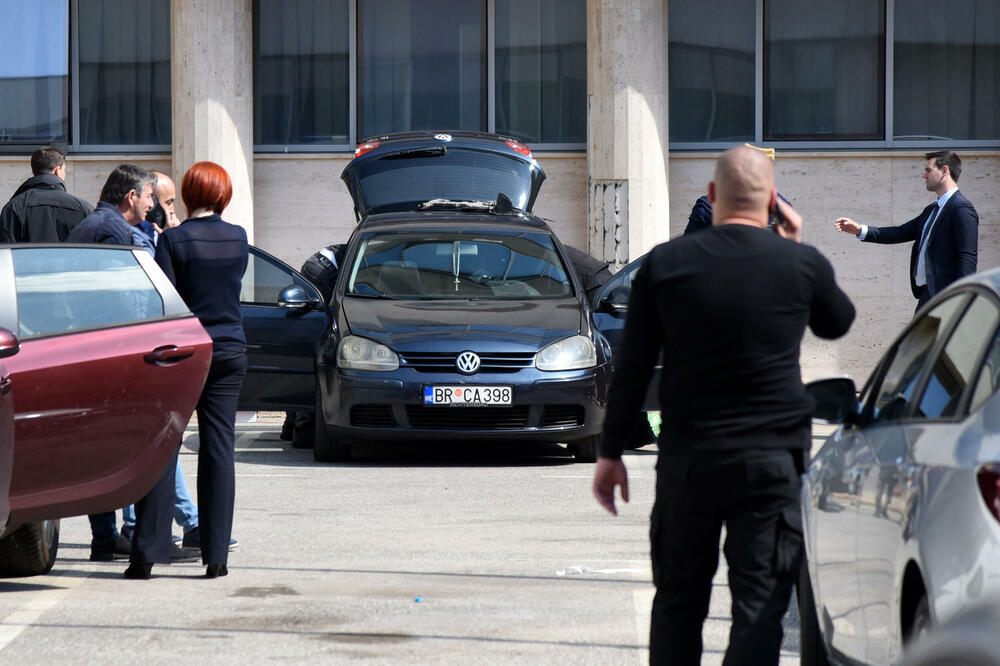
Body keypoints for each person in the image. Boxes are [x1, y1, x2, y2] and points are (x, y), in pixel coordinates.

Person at [593, 145, 855, 665]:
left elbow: (633, 369)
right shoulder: (799, 264)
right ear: (773, 203)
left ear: (712, 197)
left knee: (678, 604)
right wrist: (796, 245)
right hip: (771, 466)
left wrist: (610, 452)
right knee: (759, 610)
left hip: (690, 462)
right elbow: (837, 321)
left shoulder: (667, 264)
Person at [125, 161, 249, 580]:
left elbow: (165, 301)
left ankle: (147, 553)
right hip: (229, 350)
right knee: (219, 449)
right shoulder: (238, 238)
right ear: (223, 195)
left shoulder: (174, 240)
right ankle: (216, 557)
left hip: (184, 352)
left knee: (165, 447)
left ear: (191, 195)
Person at [63, 164, 156, 561]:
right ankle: (111, 535)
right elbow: (127, 294)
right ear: (130, 197)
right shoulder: (114, 230)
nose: (152, 205)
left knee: (98, 445)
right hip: (109, 348)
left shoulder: (90, 223)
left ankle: (105, 535)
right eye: (149, 197)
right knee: (117, 444)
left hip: (87, 343)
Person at [834, 151, 978, 311]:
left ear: (945, 170)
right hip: (929, 293)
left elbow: (967, 256)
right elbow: (900, 232)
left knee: (922, 337)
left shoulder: (961, 208)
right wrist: (860, 230)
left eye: (928, 170)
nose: (924, 175)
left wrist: (961, 299)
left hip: (945, 295)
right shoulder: (932, 210)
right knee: (920, 337)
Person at [280, 242, 347, 445]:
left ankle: (291, 425)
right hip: (322, 272)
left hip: (317, 266)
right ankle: (304, 427)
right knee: (321, 347)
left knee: (309, 347)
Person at [0, 146, 93, 243]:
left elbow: (6, 250)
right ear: (58, 170)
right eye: (64, 169)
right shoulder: (83, 208)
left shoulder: (14, 207)